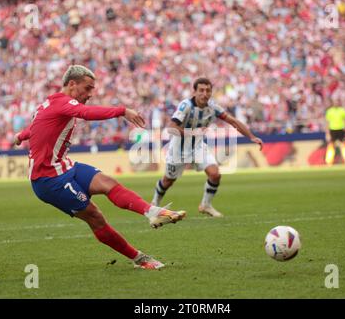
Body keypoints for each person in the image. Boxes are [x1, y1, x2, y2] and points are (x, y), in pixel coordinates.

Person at [14, 65, 186, 270]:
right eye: (87, 88)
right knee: (95, 217)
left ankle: (152, 211)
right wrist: (122, 111)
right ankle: (140, 258)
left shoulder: (49, 103)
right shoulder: (63, 103)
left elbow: (36, 126)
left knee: (108, 183)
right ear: (71, 84)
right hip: (48, 180)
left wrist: (20, 136)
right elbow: (85, 113)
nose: (90, 94)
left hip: (64, 166)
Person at [151, 78, 263, 217]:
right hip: (178, 149)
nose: (205, 94)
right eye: (201, 90)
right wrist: (192, 132)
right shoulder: (185, 106)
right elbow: (171, 128)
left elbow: (233, 121)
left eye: (208, 90)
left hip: (198, 147)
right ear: (195, 92)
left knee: (215, 174)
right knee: (168, 180)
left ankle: (206, 205)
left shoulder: (213, 107)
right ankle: (154, 204)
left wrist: (251, 136)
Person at [324, 103, 345, 167]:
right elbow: (327, 123)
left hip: (341, 129)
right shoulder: (329, 111)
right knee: (331, 146)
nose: (336, 102)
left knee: (343, 146)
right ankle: (329, 162)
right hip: (332, 130)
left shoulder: (342, 110)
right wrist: (327, 133)